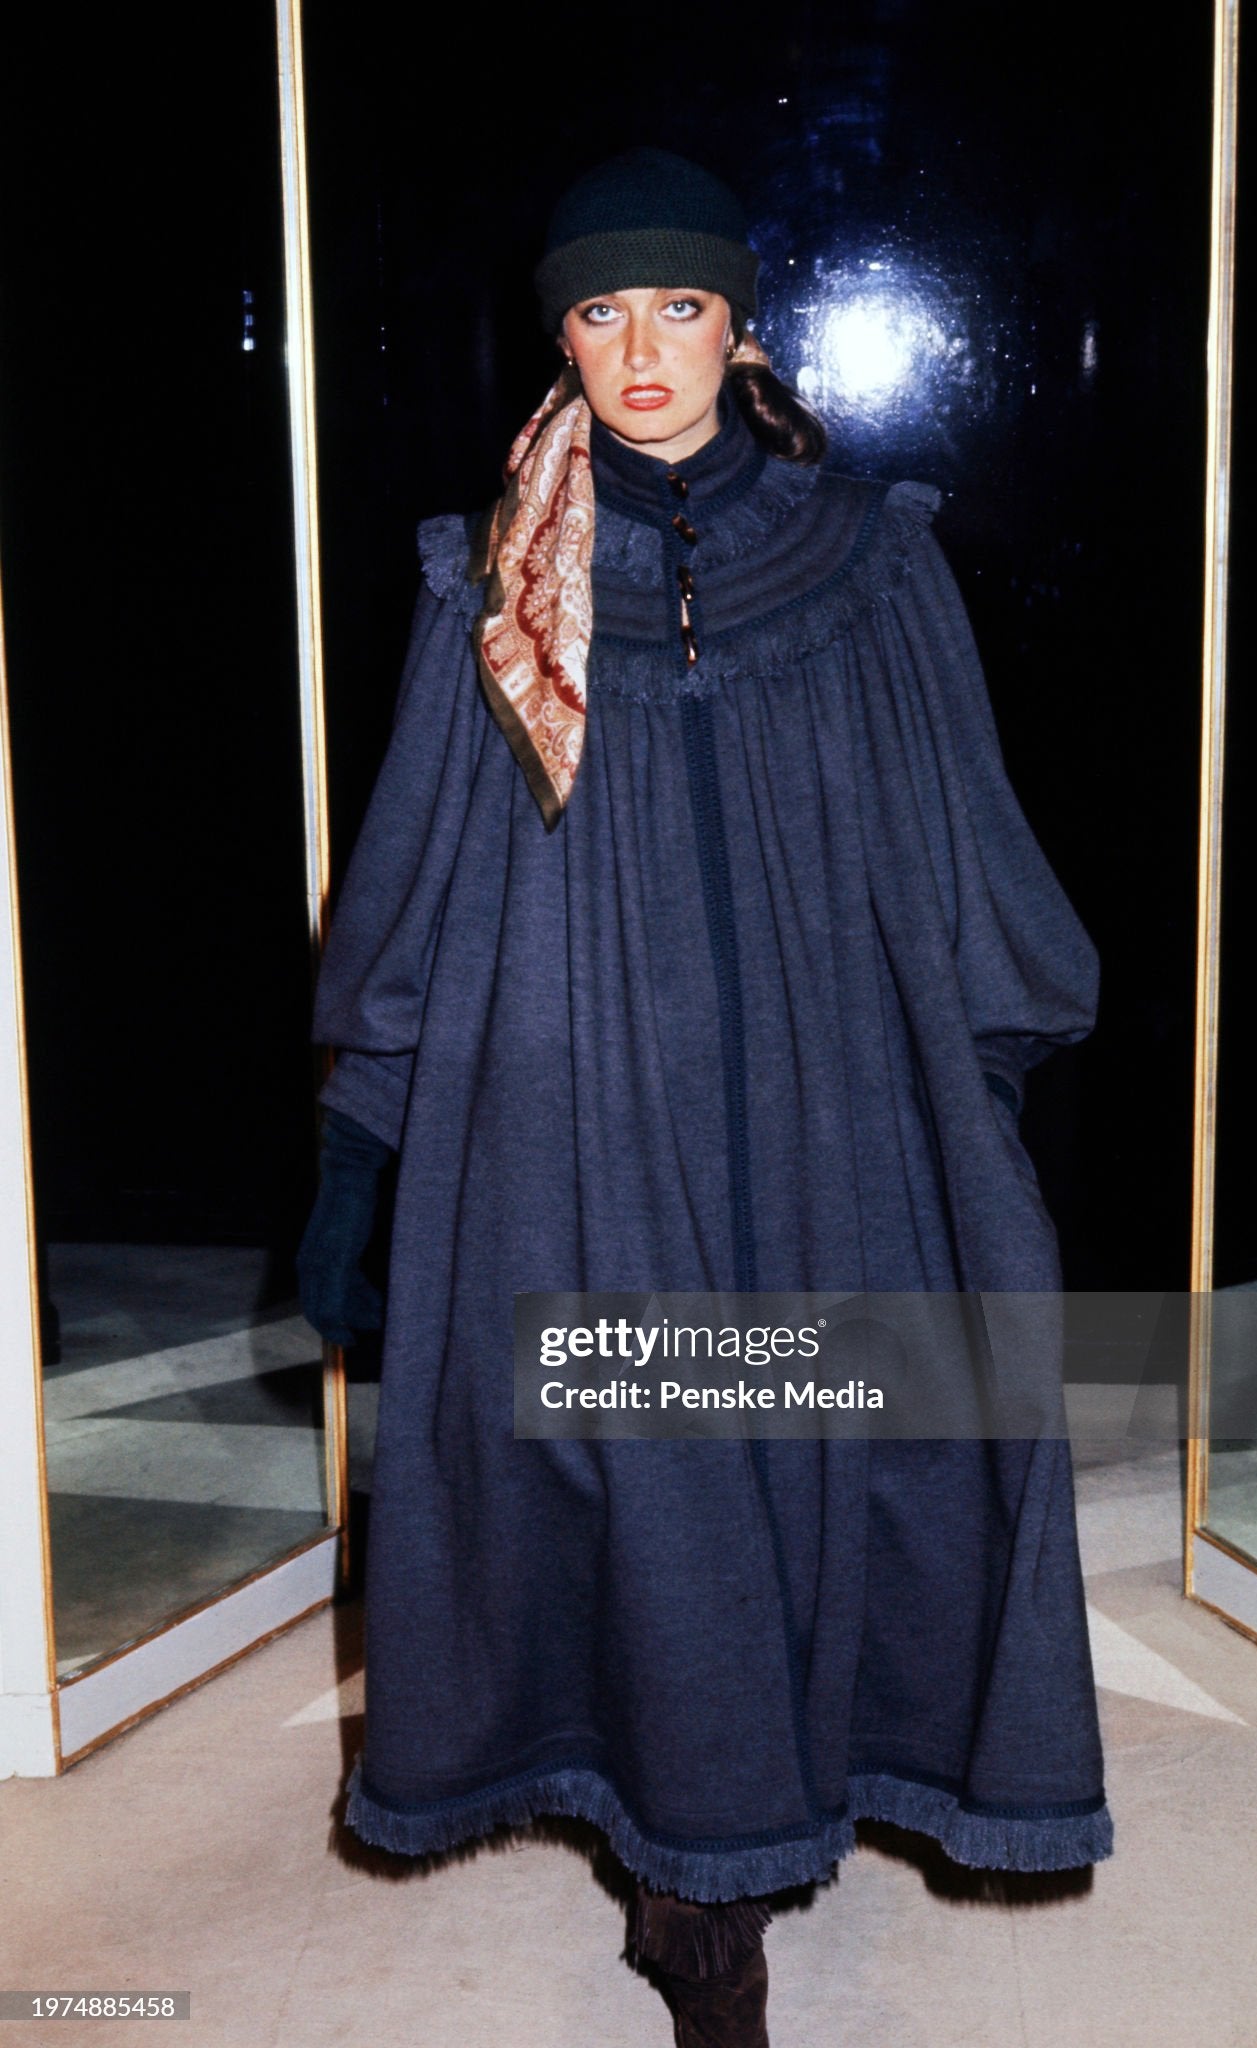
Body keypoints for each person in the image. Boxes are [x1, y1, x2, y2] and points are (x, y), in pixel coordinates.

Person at [299, 146, 1110, 2047]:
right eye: (599, 310)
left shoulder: (872, 563)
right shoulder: (488, 583)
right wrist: (372, 1140)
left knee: (843, 1481)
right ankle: (699, 1909)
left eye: (676, 306)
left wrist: (982, 1083)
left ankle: (772, 1824)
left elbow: (964, 840)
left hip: (834, 1124)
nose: (638, 346)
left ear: (741, 325)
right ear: (561, 339)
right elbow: (412, 878)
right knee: (647, 1502)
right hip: (583, 1128)